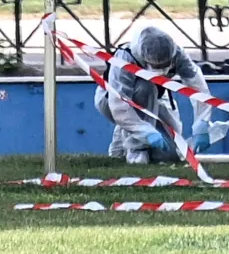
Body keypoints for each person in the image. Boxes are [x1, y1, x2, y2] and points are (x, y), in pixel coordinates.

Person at [95, 25, 222, 164]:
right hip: (112, 101)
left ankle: (120, 147)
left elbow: (198, 88)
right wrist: (146, 133)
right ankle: (136, 150)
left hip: (155, 99)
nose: (162, 70)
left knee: (171, 154)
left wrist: (202, 124)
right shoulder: (125, 57)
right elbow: (119, 104)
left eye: (166, 64)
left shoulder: (178, 54)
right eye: (156, 66)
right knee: (146, 86)